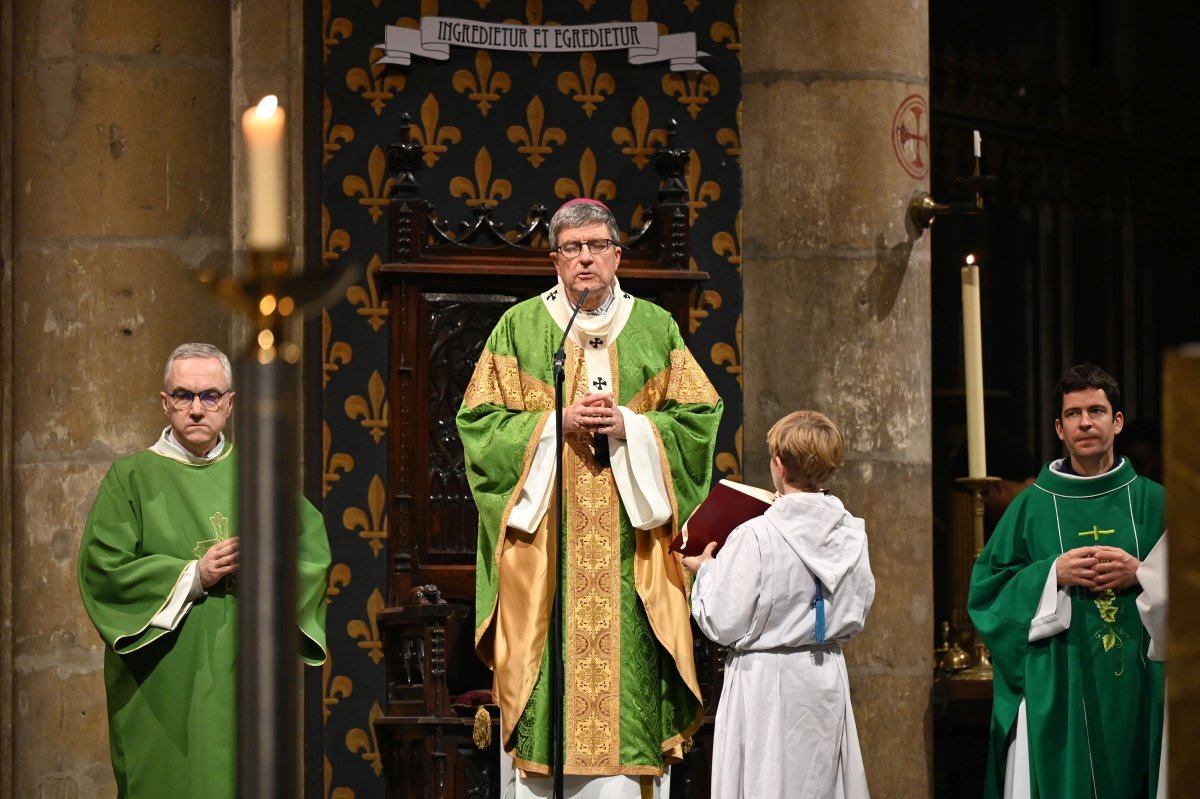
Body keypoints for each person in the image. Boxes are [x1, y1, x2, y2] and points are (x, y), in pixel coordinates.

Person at [456, 198, 722, 797]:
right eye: (572, 249)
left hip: (631, 566)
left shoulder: (655, 328)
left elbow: (700, 420)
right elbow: (478, 428)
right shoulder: (521, 329)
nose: (585, 259)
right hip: (549, 562)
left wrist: (633, 427)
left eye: (597, 246)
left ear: (617, 255)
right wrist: (555, 424)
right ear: (554, 260)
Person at [77, 342, 331, 799]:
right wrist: (194, 574)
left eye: (210, 395)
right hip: (161, 688)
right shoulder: (130, 478)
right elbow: (104, 571)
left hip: (242, 675)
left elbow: (310, 554)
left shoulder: (260, 478)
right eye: (183, 396)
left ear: (230, 404)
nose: (197, 409)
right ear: (164, 402)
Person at [968, 363, 1166, 798]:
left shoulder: (1156, 502)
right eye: (1074, 414)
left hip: (1143, 684)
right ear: (1059, 428)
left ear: (1117, 421)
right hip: (1058, 684)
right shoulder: (1030, 507)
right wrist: (1050, 575)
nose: (1085, 422)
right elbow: (987, 593)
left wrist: (1142, 573)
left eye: (1096, 411)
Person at [682, 410, 874, 799]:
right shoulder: (851, 534)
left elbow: (723, 620)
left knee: (765, 781)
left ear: (780, 466)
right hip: (824, 674)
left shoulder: (756, 534)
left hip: (764, 681)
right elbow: (856, 611)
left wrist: (705, 571)